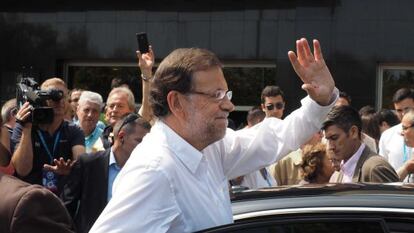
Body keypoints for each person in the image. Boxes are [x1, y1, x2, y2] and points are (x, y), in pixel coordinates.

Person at [90, 38, 338, 233]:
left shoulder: (210, 148)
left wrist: (320, 101)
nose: (229, 106)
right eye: (216, 95)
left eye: (226, 95)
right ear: (177, 103)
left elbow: (272, 139)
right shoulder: (155, 171)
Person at [61, 113, 151, 233]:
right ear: (122, 136)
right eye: (139, 141)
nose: (145, 147)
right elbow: (67, 206)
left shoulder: (146, 171)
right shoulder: (89, 163)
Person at [11, 78, 86, 194]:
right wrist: (27, 129)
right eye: (54, 96)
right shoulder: (24, 126)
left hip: (60, 201)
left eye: (64, 97)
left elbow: (81, 164)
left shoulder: (74, 130)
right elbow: (22, 170)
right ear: (40, 99)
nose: (60, 101)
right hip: (28, 198)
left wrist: (70, 170)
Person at [324, 105, 399, 183]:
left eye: (334, 138)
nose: (330, 146)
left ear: (353, 132)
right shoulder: (339, 173)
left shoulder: (375, 169)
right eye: (327, 139)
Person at [101, 46, 154, 148]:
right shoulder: (98, 138)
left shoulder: (136, 130)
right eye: (111, 106)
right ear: (106, 111)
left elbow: (147, 104)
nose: (114, 110)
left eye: (120, 106)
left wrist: (146, 73)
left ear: (131, 110)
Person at [379, 88, 414, 181]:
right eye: (398, 110)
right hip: (394, 192)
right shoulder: (387, 135)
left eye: (407, 109)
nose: (403, 113)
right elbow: (382, 170)